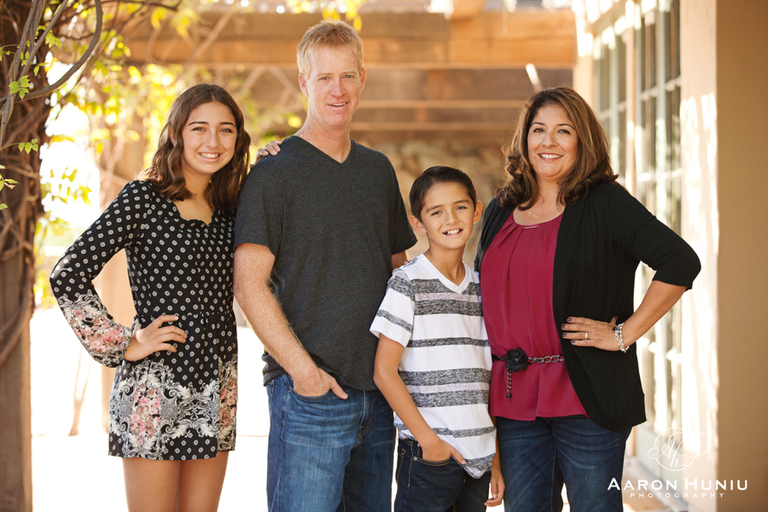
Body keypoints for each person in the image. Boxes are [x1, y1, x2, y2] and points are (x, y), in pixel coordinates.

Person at [474, 86, 701, 512]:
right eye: (538, 130)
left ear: (583, 141)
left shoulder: (604, 202)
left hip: (585, 397)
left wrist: (622, 334)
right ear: (525, 139)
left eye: (564, 131)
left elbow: (679, 261)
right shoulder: (502, 208)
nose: (548, 142)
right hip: (514, 399)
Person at [233, 20, 417, 512]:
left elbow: (401, 274)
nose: (337, 90)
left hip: (378, 396)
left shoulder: (378, 171)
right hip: (308, 396)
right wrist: (304, 373)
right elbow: (249, 287)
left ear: (363, 78)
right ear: (303, 82)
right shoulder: (272, 174)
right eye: (324, 78)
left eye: (347, 77)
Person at [50, 84, 251, 512]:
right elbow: (67, 274)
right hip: (154, 391)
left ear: (238, 138)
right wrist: (126, 342)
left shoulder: (233, 206)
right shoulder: (144, 198)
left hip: (217, 386)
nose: (213, 142)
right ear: (177, 133)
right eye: (199, 128)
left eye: (225, 130)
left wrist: (276, 161)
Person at [371, 166, 504, 512]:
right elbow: (384, 372)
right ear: (419, 224)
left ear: (476, 210)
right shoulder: (408, 282)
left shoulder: (482, 287)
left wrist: (497, 459)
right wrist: (430, 443)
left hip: (479, 459)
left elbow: (489, 378)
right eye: (436, 212)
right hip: (430, 458)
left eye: (460, 207)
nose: (451, 218)